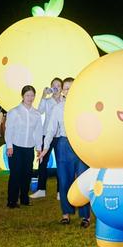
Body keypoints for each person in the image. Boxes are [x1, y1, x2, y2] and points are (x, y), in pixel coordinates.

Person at [40, 78, 90, 227]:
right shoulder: (58, 108)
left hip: (81, 145)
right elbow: (51, 129)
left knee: (82, 181)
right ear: (62, 91)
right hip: (64, 145)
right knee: (64, 180)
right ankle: (66, 214)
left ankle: (85, 216)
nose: (69, 90)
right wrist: (45, 148)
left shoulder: (84, 106)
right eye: (66, 88)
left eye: (72, 88)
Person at [4, 85, 42, 208]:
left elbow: (38, 132)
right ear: (22, 96)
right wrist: (9, 146)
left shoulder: (36, 114)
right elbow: (9, 130)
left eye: (32, 95)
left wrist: (39, 147)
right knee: (15, 174)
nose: (30, 98)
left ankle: (24, 199)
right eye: (27, 95)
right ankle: (12, 200)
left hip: (29, 148)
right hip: (15, 147)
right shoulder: (14, 112)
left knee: (27, 174)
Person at [31, 77, 63, 199]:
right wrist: (43, 96)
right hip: (46, 134)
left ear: (61, 88)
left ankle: (60, 191)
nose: (56, 88)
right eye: (54, 85)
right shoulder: (47, 101)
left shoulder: (65, 100)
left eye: (58, 86)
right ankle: (41, 189)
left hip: (61, 135)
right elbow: (39, 111)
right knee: (42, 162)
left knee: (61, 163)